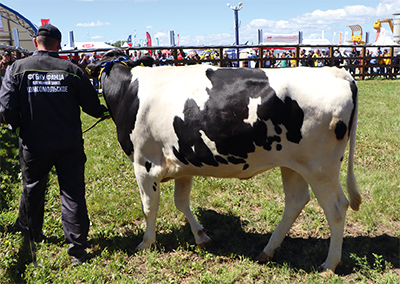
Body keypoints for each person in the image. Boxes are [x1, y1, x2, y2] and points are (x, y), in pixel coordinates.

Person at [0, 24, 109, 266]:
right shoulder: (72, 69)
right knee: (72, 194)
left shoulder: (16, 68)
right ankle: (77, 251)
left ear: (36, 42)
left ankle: (31, 234)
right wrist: (106, 113)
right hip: (68, 143)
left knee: (32, 188)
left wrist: (19, 126)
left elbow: (6, 107)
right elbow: (91, 104)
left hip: (33, 143)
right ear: (58, 44)